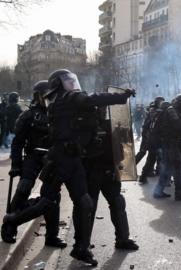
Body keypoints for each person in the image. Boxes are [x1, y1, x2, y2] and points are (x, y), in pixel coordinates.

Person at [2, 69, 135, 266]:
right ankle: (12, 220)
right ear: (58, 84)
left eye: (72, 81)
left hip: (73, 159)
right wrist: (121, 96)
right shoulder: (65, 99)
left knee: (85, 203)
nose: (72, 84)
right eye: (67, 81)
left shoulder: (63, 100)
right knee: (46, 202)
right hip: (60, 159)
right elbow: (92, 98)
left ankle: (81, 249)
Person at [1, 81, 65, 248]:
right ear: (38, 95)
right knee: (24, 188)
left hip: (51, 159)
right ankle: (9, 227)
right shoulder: (28, 115)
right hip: (33, 156)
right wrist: (16, 164)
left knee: (53, 196)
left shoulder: (58, 114)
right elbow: (17, 142)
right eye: (46, 94)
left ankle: (52, 236)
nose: (50, 97)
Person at [81, 106, 138, 250]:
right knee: (88, 207)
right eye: (98, 109)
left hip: (109, 171)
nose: (101, 111)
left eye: (103, 109)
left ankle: (123, 239)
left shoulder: (110, 125)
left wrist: (123, 131)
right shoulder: (82, 126)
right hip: (91, 173)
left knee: (118, 202)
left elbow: (121, 147)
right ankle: (83, 244)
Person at [161, 94, 181, 201]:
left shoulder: (176, 110)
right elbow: (178, 125)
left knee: (169, 168)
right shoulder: (171, 110)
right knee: (179, 167)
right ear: (180, 103)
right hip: (171, 143)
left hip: (173, 142)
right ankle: (179, 193)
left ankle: (158, 191)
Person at [136, 97, 164, 184]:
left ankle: (147, 173)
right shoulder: (155, 110)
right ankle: (132, 169)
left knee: (152, 157)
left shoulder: (155, 110)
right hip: (150, 136)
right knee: (145, 154)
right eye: (161, 102)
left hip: (151, 136)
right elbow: (153, 124)